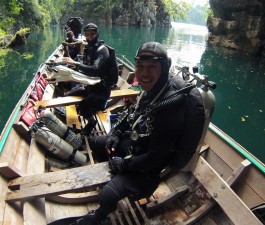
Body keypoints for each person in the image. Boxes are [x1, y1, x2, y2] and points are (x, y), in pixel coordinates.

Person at [69, 42, 205, 225]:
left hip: (145, 169)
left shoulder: (170, 109)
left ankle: (100, 215)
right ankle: (113, 170)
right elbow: (133, 113)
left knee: (107, 197)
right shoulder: (152, 91)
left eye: (152, 67)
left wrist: (123, 165)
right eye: (140, 66)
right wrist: (116, 133)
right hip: (131, 144)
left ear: (164, 68)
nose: (144, 73)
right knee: (94, 142)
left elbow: (154, 159)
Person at [62, 23, 114, 136]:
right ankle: (68, 117)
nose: (90, 37)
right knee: (67, 96)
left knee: (82, 105)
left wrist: (75, 63)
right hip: (90, 87)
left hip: (102, 91)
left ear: (97, 34)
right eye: (88, 35)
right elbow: (85, 67)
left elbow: (95, 70)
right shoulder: (89, 48)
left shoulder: (102, 50)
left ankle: (91, 122)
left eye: (93, 34)